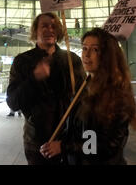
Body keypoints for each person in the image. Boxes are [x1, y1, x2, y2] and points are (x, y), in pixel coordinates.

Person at [40, 28, 136, 165]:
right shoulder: (85, 86)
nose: (86, 54)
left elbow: (108, 146)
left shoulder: (116, 94)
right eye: (84, 48)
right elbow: (77, 129)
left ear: (107, 55)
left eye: (95, 50)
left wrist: (63, 146)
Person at [6, 12, 86, 165]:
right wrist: (34, 78)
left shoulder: (72, 60)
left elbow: (83, 100)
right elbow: (13, 103)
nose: (50, 29)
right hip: (37, 142)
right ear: (35, 30)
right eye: (44, 26)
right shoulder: (22, 61)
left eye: (54, 26)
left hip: (69, 139)